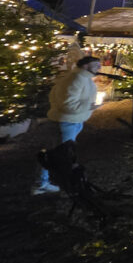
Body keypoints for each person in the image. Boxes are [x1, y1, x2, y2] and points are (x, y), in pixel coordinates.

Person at [34, 56, 101, 195]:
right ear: (85, 66)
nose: (99, 68)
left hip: (73, 121)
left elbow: (55, 96)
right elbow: (68, 104)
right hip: (67, 122)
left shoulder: (80, 77)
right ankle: (45, 183)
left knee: (58, 153)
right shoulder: (76, 79)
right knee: (59, 155)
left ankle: (46, 182)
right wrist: (89, 106)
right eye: (96, 65)